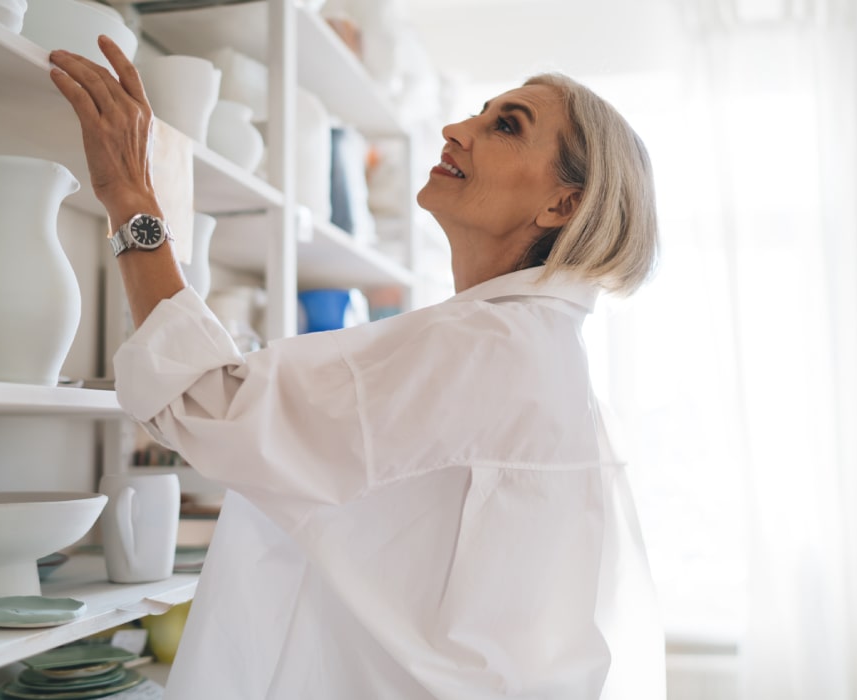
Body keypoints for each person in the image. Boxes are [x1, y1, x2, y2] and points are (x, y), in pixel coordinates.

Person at [49, 35, 665, 700]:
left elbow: (206, 403)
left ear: (563, 206)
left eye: (505, 126)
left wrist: (131, 201)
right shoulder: (539, 344)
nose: (456, 130)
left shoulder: (487, 343)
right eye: (478, 113)